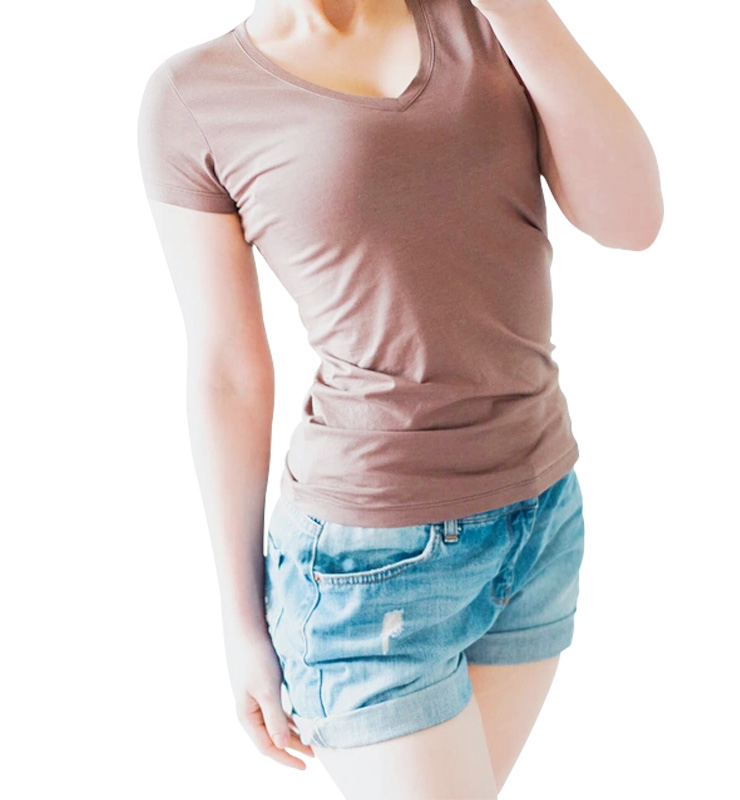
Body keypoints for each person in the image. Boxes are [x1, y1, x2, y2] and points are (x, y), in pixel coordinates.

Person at [136, 0, 662, 796]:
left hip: (540, 519)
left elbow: (633, 220)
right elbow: (228, 370)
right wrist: (240, 622)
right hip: (367, 565)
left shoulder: (478, 19)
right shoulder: (195, 96)